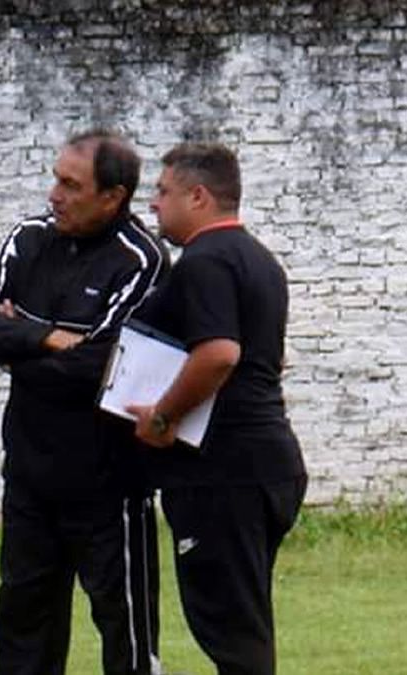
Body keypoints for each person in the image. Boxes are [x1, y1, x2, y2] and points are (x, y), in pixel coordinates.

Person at [0, 129, 167, 675]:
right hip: (30, 475)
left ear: (113, 197)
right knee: (22, 621)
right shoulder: (29, 238)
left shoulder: (141, 260)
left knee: (124, 627)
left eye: (71, 186)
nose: (55, 195)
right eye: (56, 179)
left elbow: (101, 366)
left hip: (108, 483)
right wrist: (47, 337)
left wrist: (16, 350)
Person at [126, 143, 308, 675]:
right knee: (242, 623)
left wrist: (163, 417)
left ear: (199, 197)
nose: (154, 203)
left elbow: (219, 353)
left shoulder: (204, 261)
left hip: (225, 471)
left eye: (163, 191)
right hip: (266, 462)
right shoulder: (260, 261)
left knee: (231, 632)